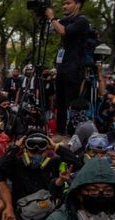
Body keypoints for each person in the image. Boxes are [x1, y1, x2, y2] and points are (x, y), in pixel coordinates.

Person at [46, 0, 90, 136]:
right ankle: (60, 132)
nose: (64, 6)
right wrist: (44, 17)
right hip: (62, 67)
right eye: (63, 3)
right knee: (60, 102)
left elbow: (63, 31)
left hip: (74, 67)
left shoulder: (81, 21)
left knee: (71, 102)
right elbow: (52, 29)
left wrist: (52, 17)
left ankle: (72, 133)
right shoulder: (65, 20)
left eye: (68, 3)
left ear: (77, 4)